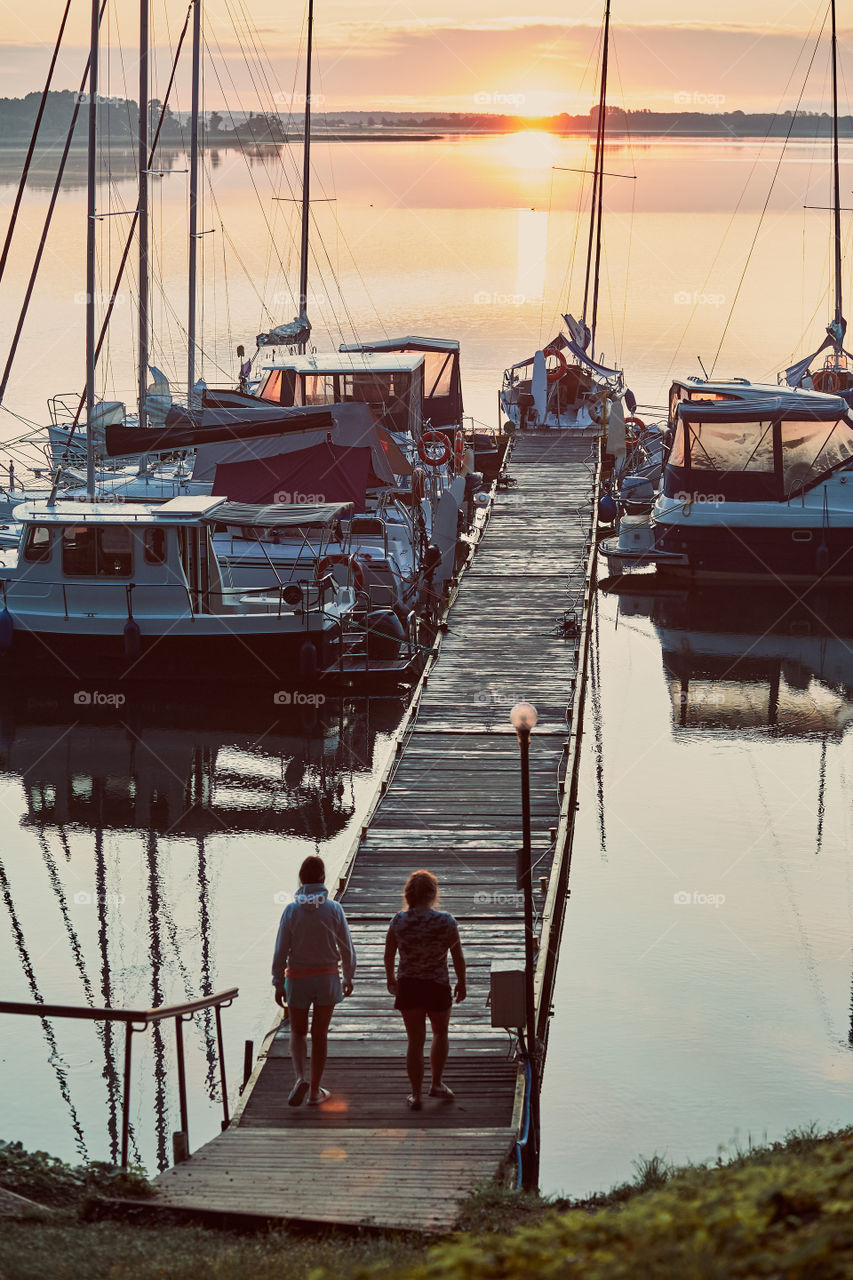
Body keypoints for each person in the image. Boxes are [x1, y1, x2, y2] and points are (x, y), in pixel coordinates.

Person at [272, 855, 356, 1107]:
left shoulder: (291, 910)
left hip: (297, 980)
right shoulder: (334, 909)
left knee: (298, 1032)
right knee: (320, 1035)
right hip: (327, 978)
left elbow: (280, 950)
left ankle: (300, 1078)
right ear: (323, 879)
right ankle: (315, 1091)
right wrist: (348, 975)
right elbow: (347, 948)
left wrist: (278, 982)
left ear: (301, 879)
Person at [384, 869, 466, 1110]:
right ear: (433, 894)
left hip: (409, 986)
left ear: (408, 895)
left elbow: (389, 955)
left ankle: (416, 1095)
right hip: (437, 985)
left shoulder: (398, 921)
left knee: (415, 1041)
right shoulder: (446, 921)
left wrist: (390, 979)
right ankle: (436, 1084)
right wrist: (462, 981)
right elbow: (457, 956)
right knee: (440, 1033)